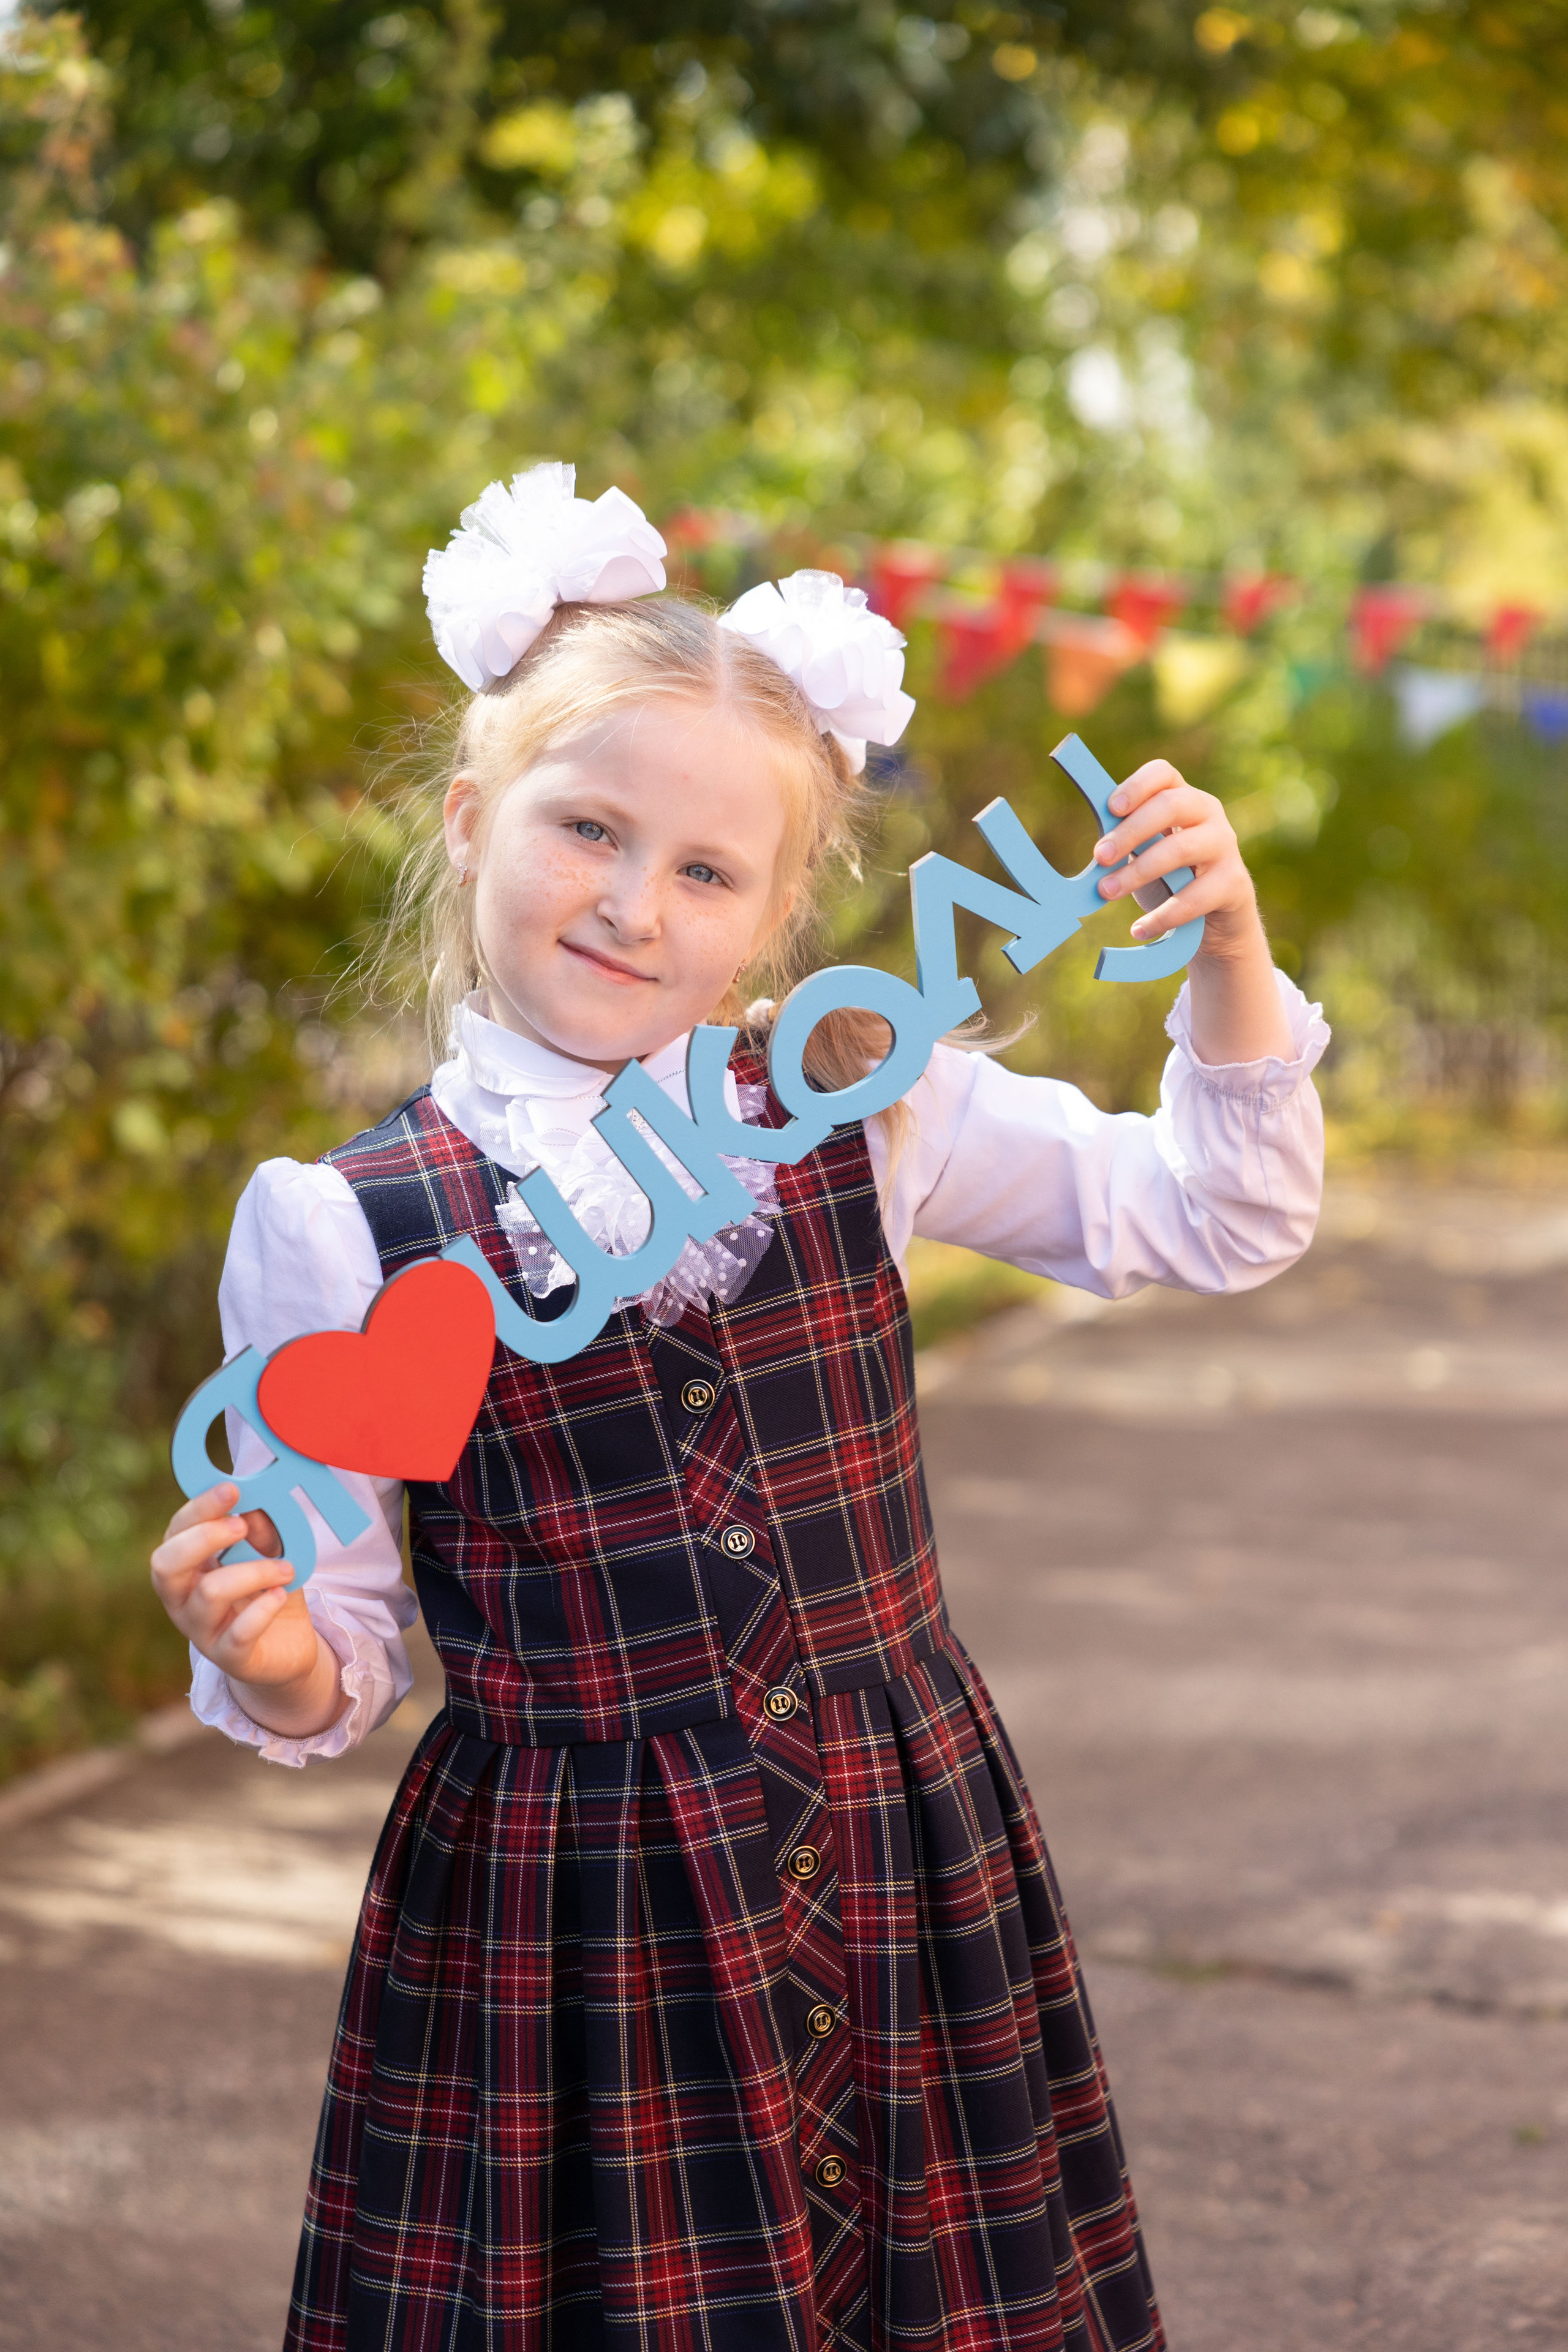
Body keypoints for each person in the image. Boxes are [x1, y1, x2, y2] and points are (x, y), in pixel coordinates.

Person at [151, 463, 1329, 2352]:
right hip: (576, 1924)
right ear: (472, 822)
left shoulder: (856, 1099)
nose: (631, 904)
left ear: (779, 916)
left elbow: (1212, 1216)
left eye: (706, 872)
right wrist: (273, 1649)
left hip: (899, 1848)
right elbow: (342, 1645)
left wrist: (1233, 962)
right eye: (587, 829)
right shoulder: (344, 1232)